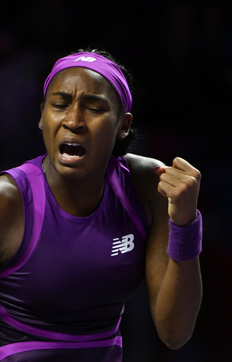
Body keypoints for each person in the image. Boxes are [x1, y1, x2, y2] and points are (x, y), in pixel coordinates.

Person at [0, 49, 203, 361]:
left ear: (123, 125)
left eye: (94, 109)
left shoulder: (148, 185)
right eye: (60, 105)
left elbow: (175, 333)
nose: (74, 120)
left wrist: (186, 224)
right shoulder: (7, 199)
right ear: (42, 116)